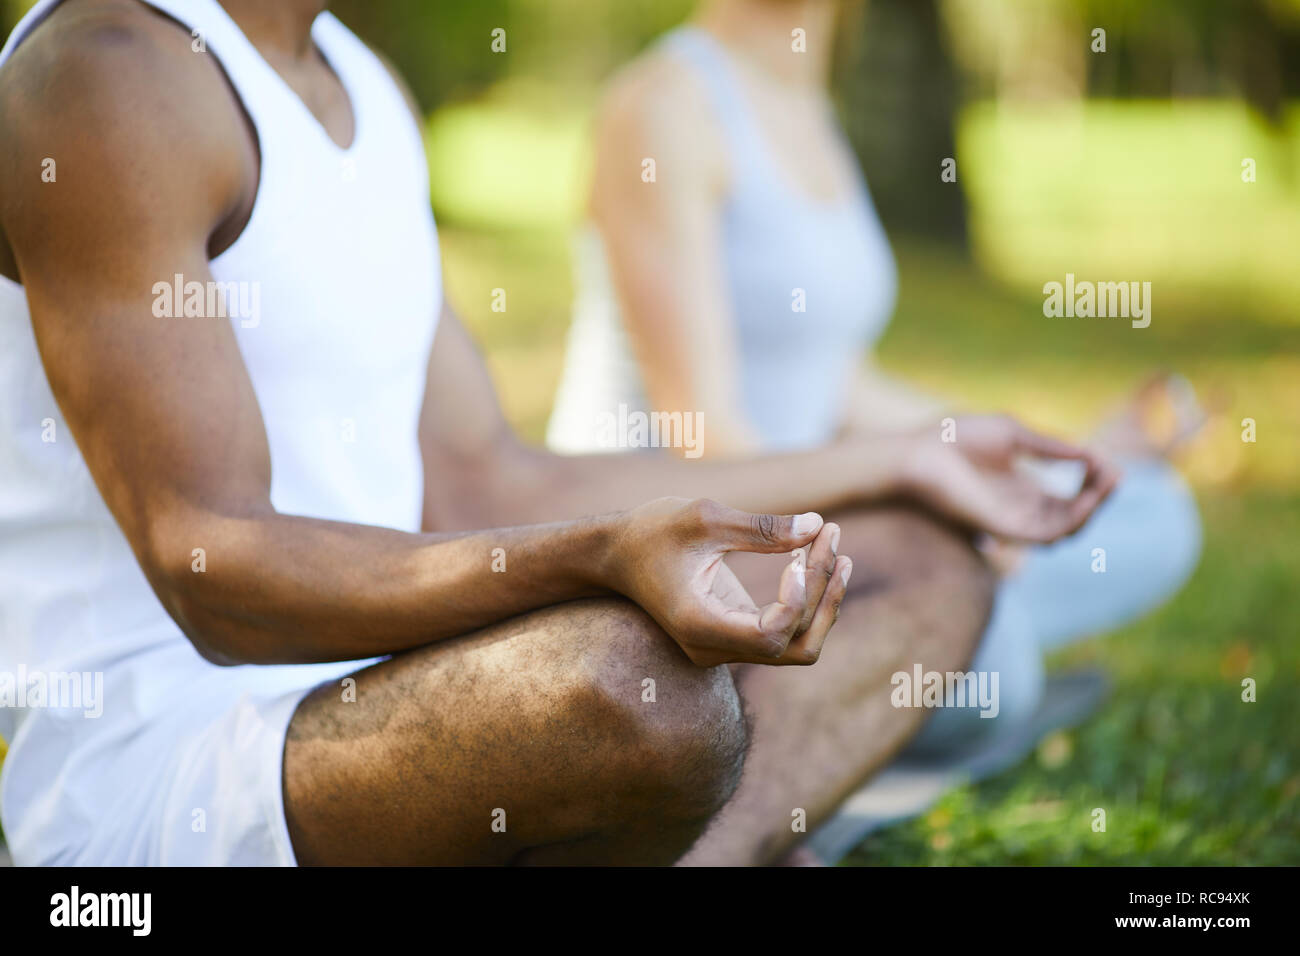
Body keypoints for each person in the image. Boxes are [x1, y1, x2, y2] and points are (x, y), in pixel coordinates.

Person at [0, 0, 1114, 866]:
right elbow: (217, 569)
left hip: (395, 693)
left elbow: (486, 474)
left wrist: (905, 457)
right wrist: (594, 561)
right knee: (637, 685)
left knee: (923, 559)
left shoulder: (362, 89)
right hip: (169, 781)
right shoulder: (111, 75)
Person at [547, 0, 1202, 759]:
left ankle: (927, 647)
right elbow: (704, 442)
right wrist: (930, 513)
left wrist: (1048, 456)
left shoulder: (806, 99)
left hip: (814, 508)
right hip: (703, 549)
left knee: (1154, 512)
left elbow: (839, 386)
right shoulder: (660, 105)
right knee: (994, 668)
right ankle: (927, 648)